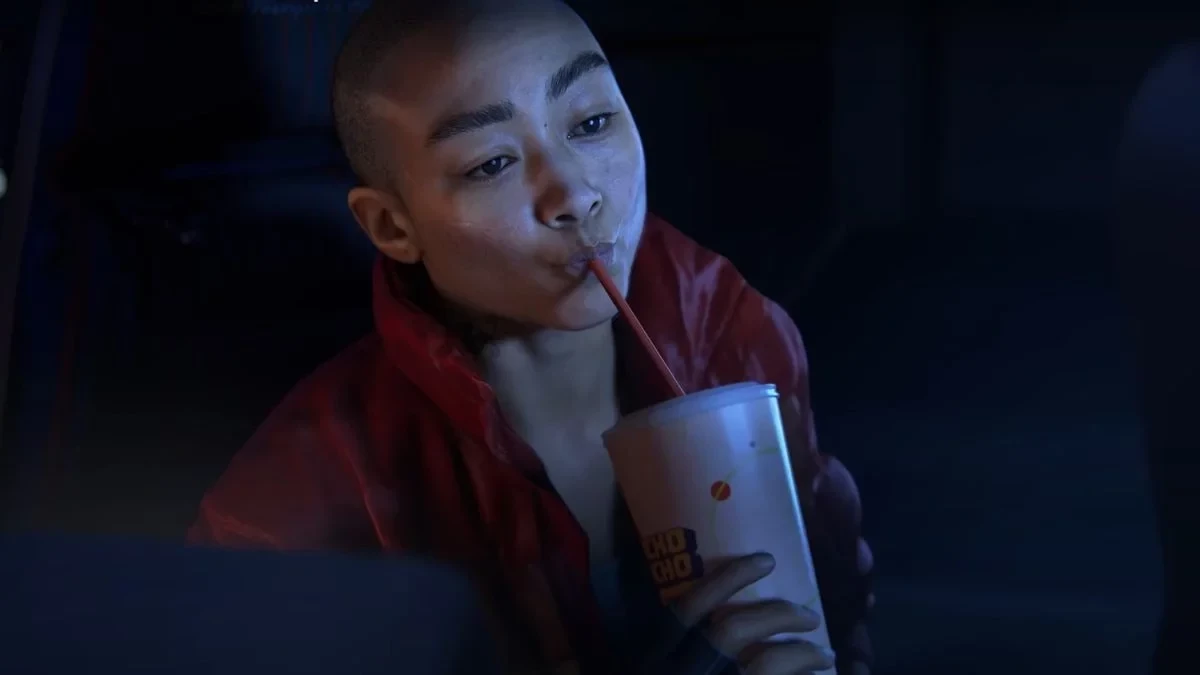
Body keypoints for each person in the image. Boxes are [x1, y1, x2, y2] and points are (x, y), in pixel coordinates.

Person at [187, 1, 873, 673]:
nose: (574, 195)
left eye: (593, 122)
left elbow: (839, 607)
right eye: (491, 163)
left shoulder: (734, 340)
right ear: (392, 227)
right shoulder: (294, 504)